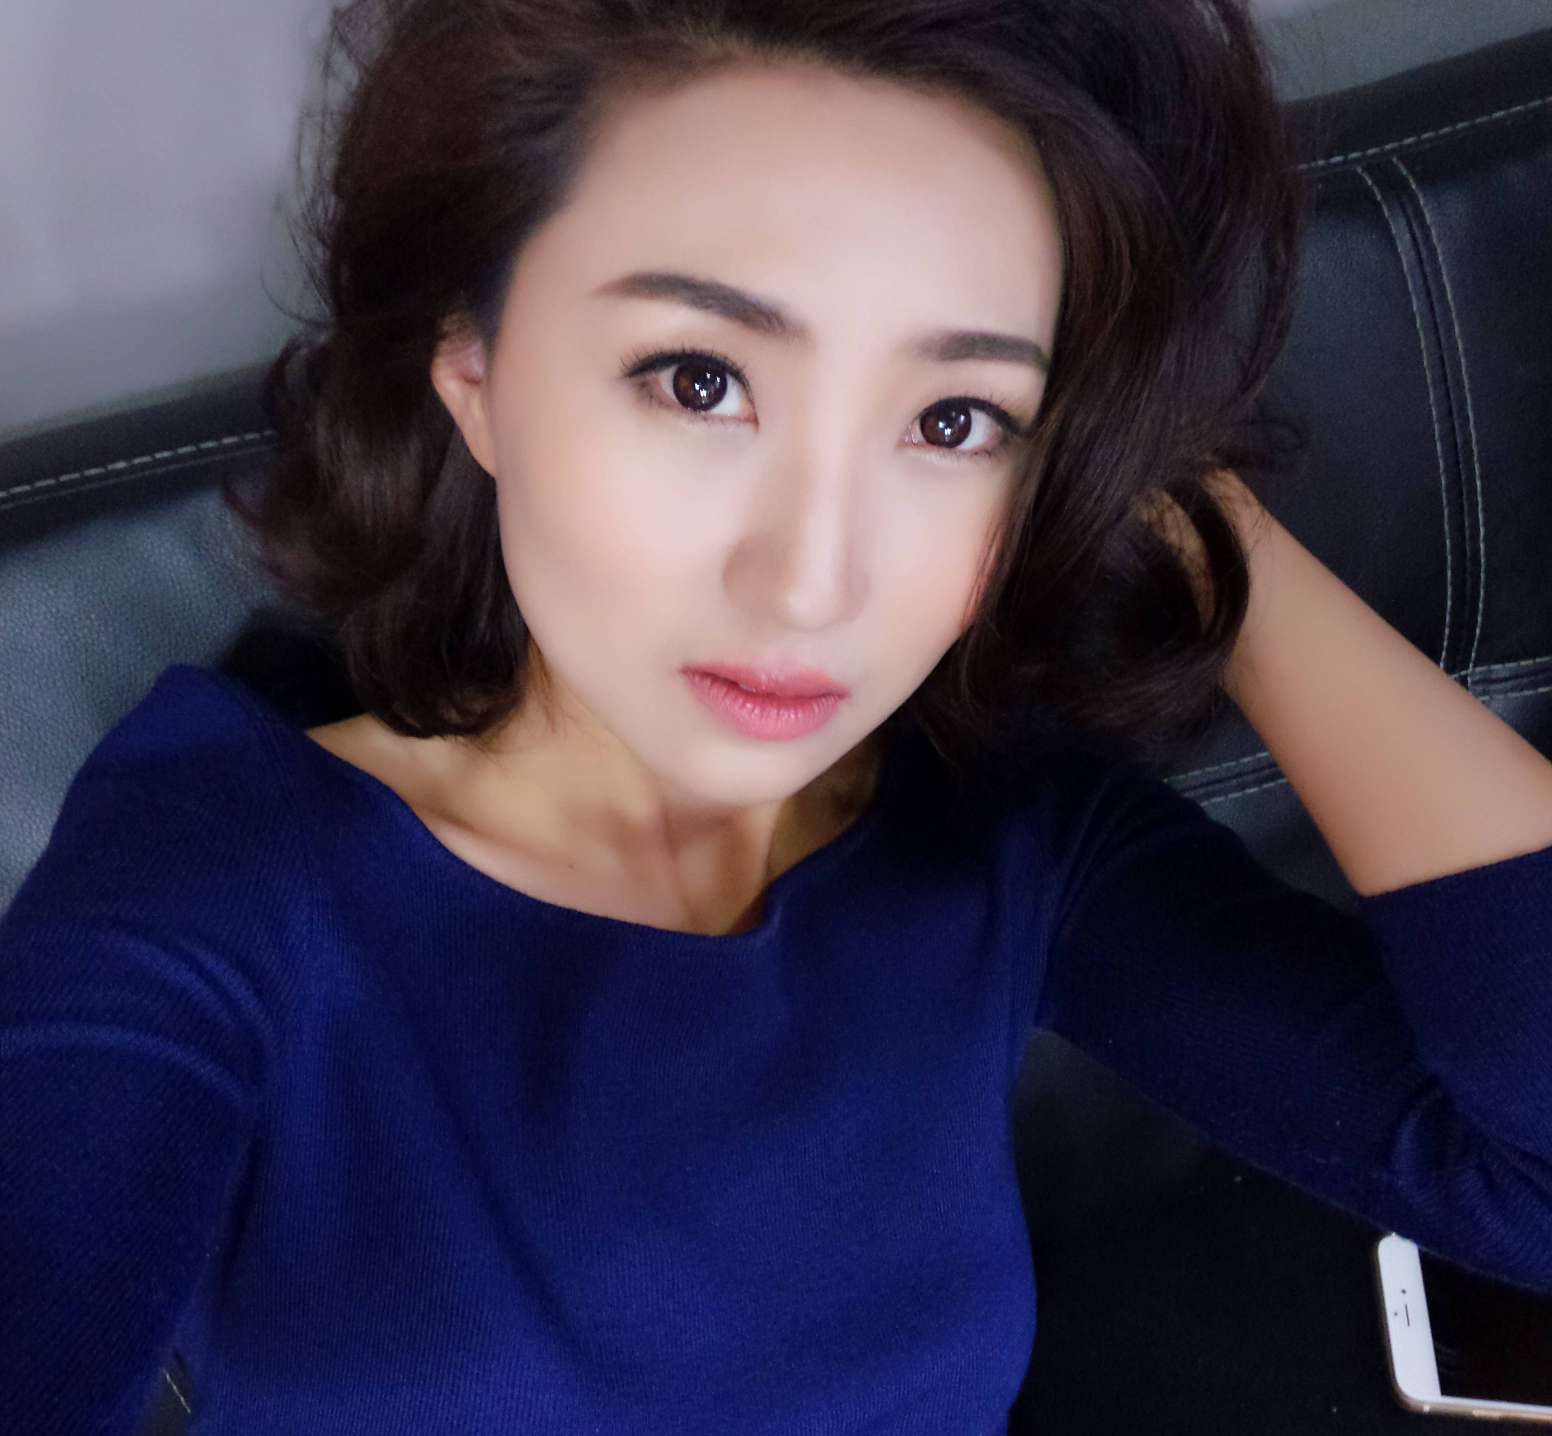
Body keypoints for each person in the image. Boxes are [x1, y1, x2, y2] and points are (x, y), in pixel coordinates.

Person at [4, 0, 1552, 1431]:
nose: (812, 583)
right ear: (472, 366)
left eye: (954, 420)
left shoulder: (1002, 827)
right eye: (698, 381)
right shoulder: (219, 876)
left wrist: (1204, 527)